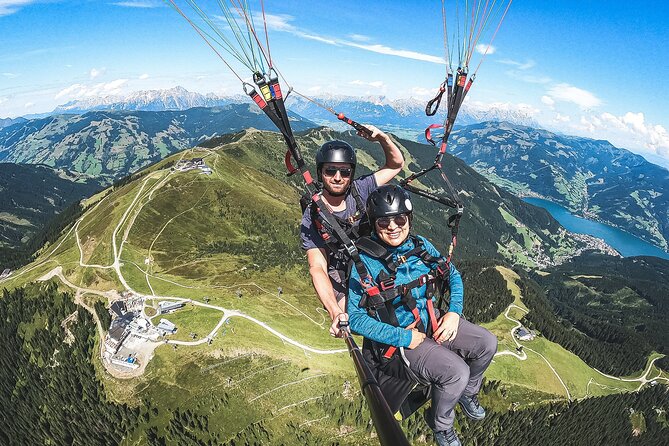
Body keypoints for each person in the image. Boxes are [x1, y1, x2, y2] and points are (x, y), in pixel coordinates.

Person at [347, 185, 497, 446]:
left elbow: (452, 275)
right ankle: (441, 425)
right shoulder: (364, 263)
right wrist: (403, 337)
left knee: (487, 344)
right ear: (374, 223)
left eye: (400, 219)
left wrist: (453, 312)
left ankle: (467, 394)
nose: (393, 226)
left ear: (409, 220)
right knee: (456, 372)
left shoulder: (421, 245)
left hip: (435, 319)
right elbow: (356, 317)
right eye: (384, 221)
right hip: (404, 339)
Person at [300, 126, 404, 339]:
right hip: (340, 271)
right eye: (330, 171)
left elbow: (396, 165)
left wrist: (383, 138)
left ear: (351, 174)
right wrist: (335, 311)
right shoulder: (313, 213)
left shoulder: (361, 188)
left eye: (345, 171)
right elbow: (317, 267)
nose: (338, 177)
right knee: (354, 319)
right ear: (320, 172)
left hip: (374, 257)